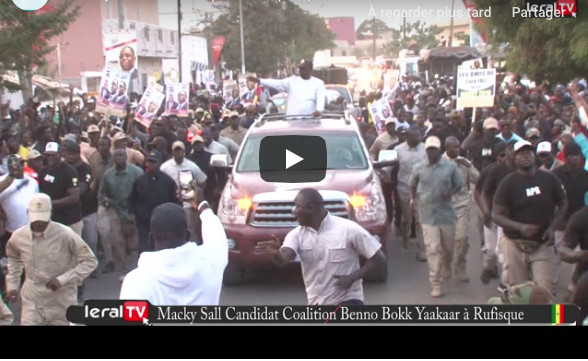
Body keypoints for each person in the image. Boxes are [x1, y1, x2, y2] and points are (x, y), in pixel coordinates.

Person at [257, 188, 386, 305]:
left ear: (311, 208)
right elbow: (284, 258)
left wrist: (352, 278)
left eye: (297, 207)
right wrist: (276, 254)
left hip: (347, 300)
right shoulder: (296, 235)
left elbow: (378, 258)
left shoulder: (348, 229)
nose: (294, 212)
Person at [120, 182, 228, 305]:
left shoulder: (135, 282)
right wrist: (202, 204)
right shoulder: (211, 261)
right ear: (187, 236)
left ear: (151, 239)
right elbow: (217, 234)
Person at [5, 193, 97, 325]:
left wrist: (63, 279)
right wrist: (13, 285)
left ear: (50, 213)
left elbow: (90, 261)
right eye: (36, 220)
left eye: (43, 220)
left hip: (60, 300)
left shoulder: (66, 234)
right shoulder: (19, 236)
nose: (39, 223)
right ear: (28, 213)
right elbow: (13, 259)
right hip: (33, 299)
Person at [492, 140, 567, 294]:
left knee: (546, 291)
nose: (526, 156)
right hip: (515, 244)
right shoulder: (508, 183)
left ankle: (549, 318)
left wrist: (553, 227)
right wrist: (520, 227)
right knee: (520, 293)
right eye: (521, 153)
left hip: (542, 244)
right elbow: (496, 215)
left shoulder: (548, 179)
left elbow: (563, 203)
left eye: (529, 152)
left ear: (534, 156)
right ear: (514, 158)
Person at [410, 136, 464, 298]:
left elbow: (459, 183)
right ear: (426, 150)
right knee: (433, 249)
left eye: (434, 149)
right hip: (427, 214)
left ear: (439, 150)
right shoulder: (419, 167)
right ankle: (436, 283)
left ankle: (447, 265)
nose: (431, 152)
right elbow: (412, 184)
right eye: (429, 149)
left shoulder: (450, 167)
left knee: (448, 248)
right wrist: (413, 200)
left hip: (446, 213)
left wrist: (451, 192)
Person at [98, 148, 143, 279]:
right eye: (116, 155)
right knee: (118, 243)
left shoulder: (136, 172)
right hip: (116, 211)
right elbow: (102, 193)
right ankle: (124, 271)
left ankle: (136, 270)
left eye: (121, 155)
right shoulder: (108, 175)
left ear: (126, 157)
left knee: (133, 244)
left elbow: (144, 189)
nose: (119, 157)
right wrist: (105, 200)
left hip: (133, 211)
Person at [442, 136, 479, 282]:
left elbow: (478, 179)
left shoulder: (464, 162)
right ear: (447, 148)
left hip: (461, 205)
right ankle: (446, 264)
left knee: (462, 238)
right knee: (446, 241)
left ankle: (460, 266)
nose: (457, 150)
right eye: (454, 147)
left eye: (458, 147)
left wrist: (469, 165)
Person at [479, 141, 516, 284]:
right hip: (492, 214)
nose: (512, 154)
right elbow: (483, 193)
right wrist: (486, 211)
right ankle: (488, 268)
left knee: (503, 251)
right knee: (491, 251)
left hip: (507, 217)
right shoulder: (495, 170)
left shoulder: (522, 170)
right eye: (510, 151)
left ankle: (505, 283)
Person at [131, 150, 179, 253]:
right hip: (144, 226)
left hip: (163, 225)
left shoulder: (168, 181)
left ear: (160, 163)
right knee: (145, 253)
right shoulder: (140, 181)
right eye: (149, 161)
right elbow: (133, 200)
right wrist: (138, 215)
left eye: (154, 161)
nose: (151, 164)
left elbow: (175, 201)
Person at [248, 59, 326, 117]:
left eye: (303, 69)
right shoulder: (292, 81)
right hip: (293, 121)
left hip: (310, 121)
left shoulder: (318, 83)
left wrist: (318, 111)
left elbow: (320, 99)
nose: (300, 71)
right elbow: (276, 83)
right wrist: (259, 80)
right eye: (300, 68)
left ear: (310, 69)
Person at [38, 142, 83, 236]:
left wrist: (52, 203)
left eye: (53, 155)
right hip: (53, 221)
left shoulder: (70, 171)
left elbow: (74, 197)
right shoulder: (43, 171)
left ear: (61, 153)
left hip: (70, 220)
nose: (50, 157)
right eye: (48, 155)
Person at [395, 127, 427, 260]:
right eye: (415, 136)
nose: (418, 138)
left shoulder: (425, 149)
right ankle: (405, 238)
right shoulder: (398, 150)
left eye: (419, 135)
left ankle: (422, 249)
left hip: (421, 188)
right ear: (407, 137)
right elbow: (389, 167)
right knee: (407, 217)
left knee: (420, 220)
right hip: (404, 187)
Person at [62, 141, 98, 258]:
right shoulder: (62, 168)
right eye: (67, 154)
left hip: (87, 210)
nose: (70, 156)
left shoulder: (85, 168)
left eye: (72, 154)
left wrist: (67, 189)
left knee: (91, 241)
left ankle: (92, 265)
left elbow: (82, 190)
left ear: (78, 154)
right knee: (74, 244)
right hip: (70, 213)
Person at [0, 155, 39, 259]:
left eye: (21, 164)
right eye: (15, 165)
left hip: (30, 229)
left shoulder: (32, 181)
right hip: (11, 229)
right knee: (13, 261)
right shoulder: (2, 181)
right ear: (9, 167)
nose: (18, 167)